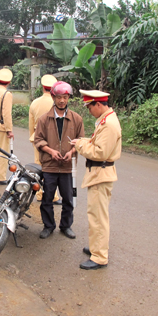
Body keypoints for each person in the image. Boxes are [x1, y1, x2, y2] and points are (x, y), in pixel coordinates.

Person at [70, 90, 122, 270]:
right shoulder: (105, 120)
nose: (89, 111)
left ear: (98, 104)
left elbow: (100, 152)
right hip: (98, 173)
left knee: (98, 218)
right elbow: (96, 142)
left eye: (89, 106)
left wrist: (79, 144)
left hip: (101, 173)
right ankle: (95, 248)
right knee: (95, 215)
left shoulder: (109, 124)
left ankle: (100, 257)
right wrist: (83, 140)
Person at [34, 81, 85, 239]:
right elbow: (38, 140)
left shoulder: (76, 119)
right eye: (59, 97)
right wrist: (50, 151)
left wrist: (72, 151)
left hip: (67, 166)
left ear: (69, 97)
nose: (62, 100)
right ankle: (48, 226)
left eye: (65, 97)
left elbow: (81, 140)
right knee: (47, 198)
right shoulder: (44, 119)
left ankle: (66, 226)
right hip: (49, 166)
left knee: (68, 199)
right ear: (53, 97)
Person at [28, 74, 60, 203]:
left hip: (37, 137)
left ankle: (40, 194)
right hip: (52, 139)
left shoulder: (35, 103)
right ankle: (52, 196)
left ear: (42, 87)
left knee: (39, 166)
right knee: (52, 167)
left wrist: (33, 137)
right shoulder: (56, 103)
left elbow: (31, 124)